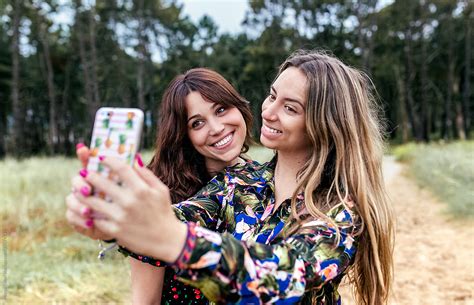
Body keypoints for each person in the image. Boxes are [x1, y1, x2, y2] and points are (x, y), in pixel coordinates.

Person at [67, 50, 394, 305]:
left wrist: (174, 240)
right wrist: (119, 216)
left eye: (290, 108)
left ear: (324, 124)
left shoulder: (339, 214)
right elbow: (179, 216)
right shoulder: (241, 178)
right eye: (272, 94)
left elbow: (281, 276)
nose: (268, 111)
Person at [66, 67, 255, 305]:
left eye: (221, 109)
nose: (216, 128)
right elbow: (146, 300)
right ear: (183, 134)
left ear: (238, 107)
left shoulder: (264, 180)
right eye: (197, 123)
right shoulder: (161, 194)